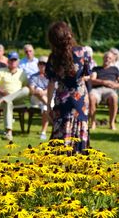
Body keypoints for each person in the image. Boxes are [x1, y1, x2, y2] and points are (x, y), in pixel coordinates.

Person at [46, 21, 91, 154]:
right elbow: (86, 75)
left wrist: (48, 105)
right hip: (80, 98)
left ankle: (59, 164)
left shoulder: (53, 57)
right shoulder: (82, 52)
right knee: (79, 131)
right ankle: (78, 159)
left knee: (61, 130)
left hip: (62, 98)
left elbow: (51, 82)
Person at [0, 52, 30, 141]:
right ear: (7, 61)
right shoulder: (1, 71)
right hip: (3, 98)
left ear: (18, 61)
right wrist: (4, 92)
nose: (13, 62)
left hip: (16, 100)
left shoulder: (22, 73)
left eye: (15, 60)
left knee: (26, 90)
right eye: (11, 60)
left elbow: (26, 88)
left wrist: (7, 97)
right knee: (8, 102)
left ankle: (4, 100)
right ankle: (9, 132)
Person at [89, 51, 119, 130]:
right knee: (91, 97)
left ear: (112, 60)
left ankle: (112, 122)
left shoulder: (115, 69)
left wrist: (114, 85)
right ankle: (93, 122)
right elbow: (92, 80)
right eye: (106, 57)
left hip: (109, 90)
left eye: (109, 58)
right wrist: (104, 82)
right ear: (103, 58)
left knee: (114, 97)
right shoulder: (96, 69)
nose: (107, 59)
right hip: (97, 89)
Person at [29, 56, 51, 140]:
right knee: (38, 90)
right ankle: (49, 106)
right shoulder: (33, 76)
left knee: (45, 108)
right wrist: (41, 92)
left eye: (44, 64)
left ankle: (43, 132)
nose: (42, 65)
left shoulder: (50, 76)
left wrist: (43, 92)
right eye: (40, 63)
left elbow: (51, 89)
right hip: (36, 99)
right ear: (38, 65)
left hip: (47, 97)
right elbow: (32, 90)